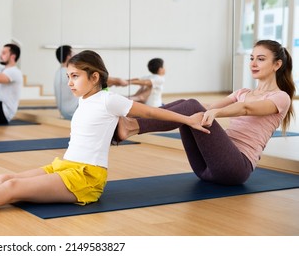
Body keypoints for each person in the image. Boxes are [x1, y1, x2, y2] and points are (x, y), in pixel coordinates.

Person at [0, 50, 209, 216]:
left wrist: (189, 120)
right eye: (68, 76)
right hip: (66, 166)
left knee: (11, 187)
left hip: (86, 177)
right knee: (3, 178)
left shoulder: (109, 99)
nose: (69, 82)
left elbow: (152, 112)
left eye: (75, 76)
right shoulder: (87, 101)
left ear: (94, 76)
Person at [116, 39, 295, 185]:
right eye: (251, 58)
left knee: (191, 108)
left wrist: (217, 113)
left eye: (261, 59)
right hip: (206, 168)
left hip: (236, 167)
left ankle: (132, 125)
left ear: (277, 64)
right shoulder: (243, 92)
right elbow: (208, 107)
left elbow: (246, 108)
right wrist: (205, 110)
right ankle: (131, 121)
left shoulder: (281, 97)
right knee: (188, 107)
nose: (253, 63)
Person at [54, 45, 130, 120]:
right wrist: (118, 81)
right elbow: (103, 79)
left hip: (65, 113)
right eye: (74, 53)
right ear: (69, 57)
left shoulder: (59, 73)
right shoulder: (70, 72)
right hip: (73, 112)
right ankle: (136, 98)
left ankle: (135, 98)